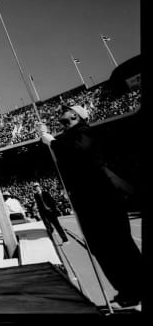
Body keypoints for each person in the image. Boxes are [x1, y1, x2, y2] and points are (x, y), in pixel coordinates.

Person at [37, 104, 142, 308]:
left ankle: (136, 287)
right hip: (87, 201)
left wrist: (52, 141)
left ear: (77, 116)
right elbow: (63, 155)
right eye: (62, 116)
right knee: (102, 247)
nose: (63, 116)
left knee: (117, 245)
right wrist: (46, 137)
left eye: (67, 114)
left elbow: (79, 151)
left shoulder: (84, 131)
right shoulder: (69, 135)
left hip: (102, 199)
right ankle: (127, 289)